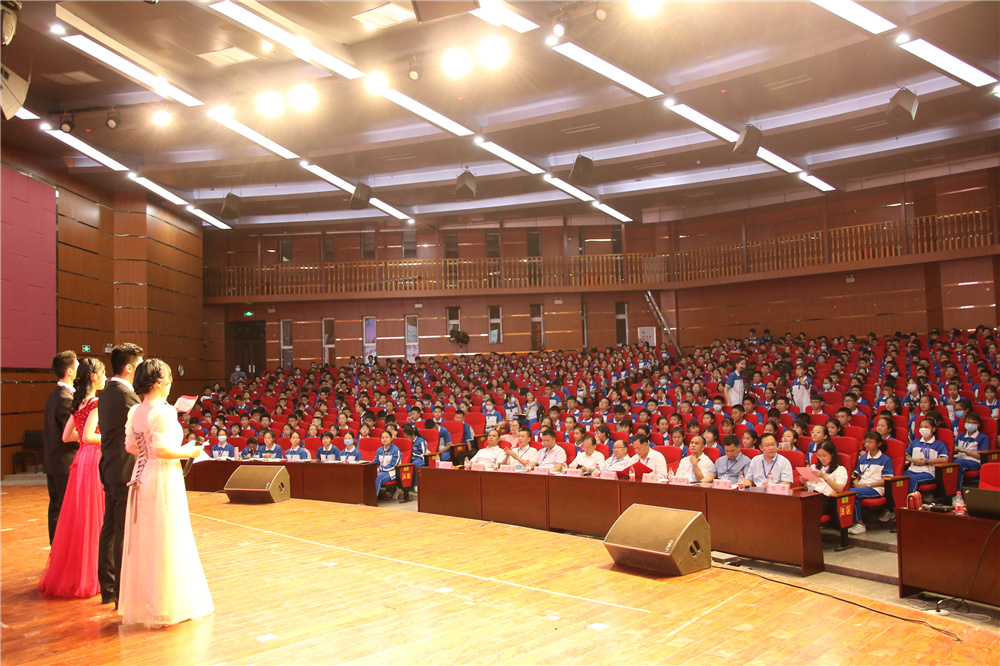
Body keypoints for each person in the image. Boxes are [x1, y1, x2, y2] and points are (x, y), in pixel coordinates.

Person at [119, 359, 212, 627]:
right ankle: (167, 603)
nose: (171, 386)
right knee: (167, 536)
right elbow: (162, 450)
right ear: (158, 383)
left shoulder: (135, 410)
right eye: (169, 380)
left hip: (141, 473)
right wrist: (190, 451)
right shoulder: (163, 411)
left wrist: (150, 451)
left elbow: (130, 446)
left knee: (147, 538)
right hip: (162, 476)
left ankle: (151, 601)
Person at [39, 358, 106, 598]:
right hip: (93, 459)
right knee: (94, 517)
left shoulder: (79, 403)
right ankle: (93, 573)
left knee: (79, 517)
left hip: (79, 460)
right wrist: (110, 438)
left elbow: (68, 435)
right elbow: (87, 435)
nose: (106, 378)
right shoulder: (96, 402)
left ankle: (77, 570)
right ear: (94, 377)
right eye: (103, 374)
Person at [97, 342, 143, 607]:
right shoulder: (125, 396)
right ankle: (120, 594)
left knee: (110, 530)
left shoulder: (106, 392)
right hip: (123, 469)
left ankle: (109, 589)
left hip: (111, 467)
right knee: (121, 532)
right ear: (129, 368)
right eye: (138, 366)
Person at [44, 350, 79, 545]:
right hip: (64, 461)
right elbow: (69, 433)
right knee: (63, 508)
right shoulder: (66, 397)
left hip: (54, 460)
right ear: (70, 371)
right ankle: (60, 549)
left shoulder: (54, 395)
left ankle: (56, 549)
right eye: (77, 366)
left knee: (57, 506)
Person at [847, 432, 894, 535]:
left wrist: (865, 485)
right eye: (866, 442)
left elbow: (886, 480)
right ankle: (852, 522)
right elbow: (858, 474)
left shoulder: (885, 459)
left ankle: (860, 524)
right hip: (861, 487)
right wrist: (855, 482)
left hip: (876, 488)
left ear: (879, 444)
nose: (867, 444)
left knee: (851, 493)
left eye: (870, 442)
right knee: (847, 492)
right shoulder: (863, 458)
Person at [804, 441, 849, 524]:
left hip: (827, 500)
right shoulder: (814, 467)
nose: (822, 458)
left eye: (824, 456)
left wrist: (824, 477)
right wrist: (804, 483)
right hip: (812, 496)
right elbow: (809, 489)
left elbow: (839, 489)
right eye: (819, 456)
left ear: (832, 455)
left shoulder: (840, 470)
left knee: (808, 509)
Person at [904, 418, 948, 493]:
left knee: (913, 479)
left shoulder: (939, 443)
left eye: (926, 427)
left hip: (928, 472)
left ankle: (911, 502)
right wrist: (914, 460)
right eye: (921, 427)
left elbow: (945, 459)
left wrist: (926, 461)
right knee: (899, 478)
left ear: (933, 429)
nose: (923, 429)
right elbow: (905, 456)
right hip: (912, 469)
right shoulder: (915, 442)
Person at [954, 412, 989, 494]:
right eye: (968, 422)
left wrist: (965, 451)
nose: (970, 424)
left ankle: (957, 492)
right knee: (947, 462)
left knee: (957, 464)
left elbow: (981, 457)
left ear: (978, 424)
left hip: (974, 461)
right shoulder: (961, 436)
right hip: (960, 458)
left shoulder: (983, 437)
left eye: (973, 423)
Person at [374, 430, 402, 498]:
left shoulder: (396, 450)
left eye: (386, 437)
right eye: (382, 438)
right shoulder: (379, 450)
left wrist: (380, 469)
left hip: (391, 472)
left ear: (391, 438)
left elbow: (393, 465)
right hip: (380, 471)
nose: (384, 439)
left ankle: (373, 499)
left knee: (377, 477)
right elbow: (375, 462)